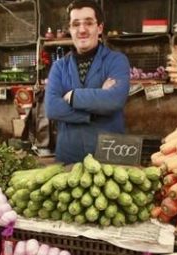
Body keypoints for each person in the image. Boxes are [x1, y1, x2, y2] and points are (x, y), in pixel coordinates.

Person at [45, 0, 130, 164]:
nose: (82, 30)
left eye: (89, 23)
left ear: (99, 28)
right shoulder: (59, 67)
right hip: (70, 155)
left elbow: (114, 100)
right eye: (76, 24)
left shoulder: (117, 61)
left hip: (110, 153)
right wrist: (96, 108)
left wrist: (73, 96)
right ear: (70, 29)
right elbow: (52, 108)